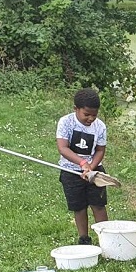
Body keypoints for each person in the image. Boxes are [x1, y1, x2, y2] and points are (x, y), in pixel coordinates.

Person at [56, 88, 108, 245]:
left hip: (95, 171)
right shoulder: (66, 122)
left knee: (98, 205)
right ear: (76, 109)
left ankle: (106, 238)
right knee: (79, 206)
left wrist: (91, 167)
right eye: (86, 114)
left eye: (94, 114)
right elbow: (63, 147)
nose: (91, 118)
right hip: (70, 171)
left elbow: (100, 150)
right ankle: (84, 238)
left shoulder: (100, 127)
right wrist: (82, 163)